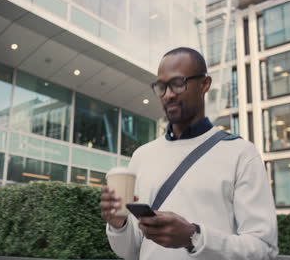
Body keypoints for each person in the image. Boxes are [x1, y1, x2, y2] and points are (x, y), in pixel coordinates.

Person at [100, 47, 278, 260]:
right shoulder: (142, 156)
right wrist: (118, 224)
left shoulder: (241, 154)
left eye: (177, 84)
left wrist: (193, 237)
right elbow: (131, 251)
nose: (167, 95)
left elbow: (263, 250)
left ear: (205, 84)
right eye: (161, 87)